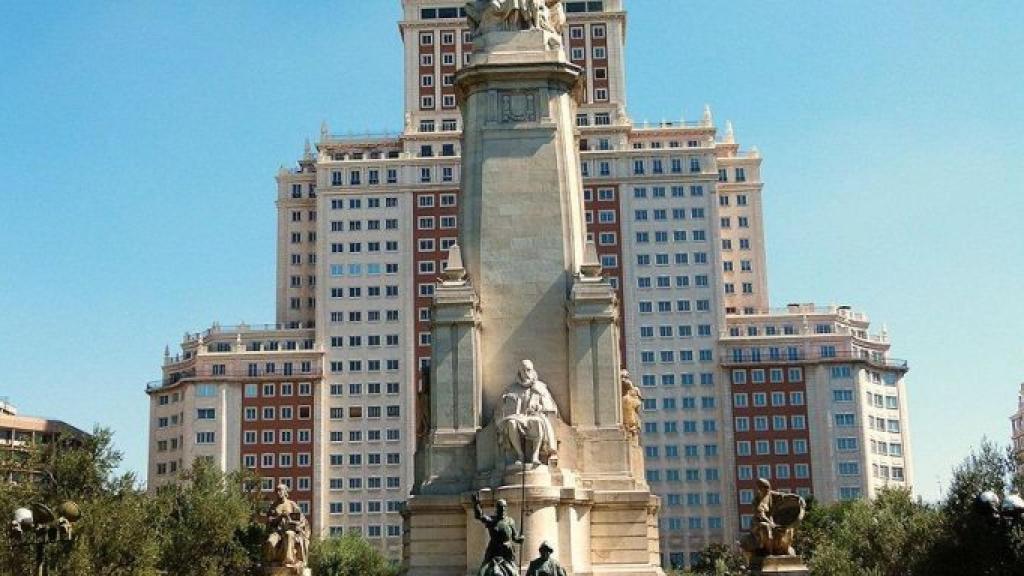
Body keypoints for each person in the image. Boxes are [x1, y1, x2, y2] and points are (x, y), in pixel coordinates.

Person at [497, 359, 559, 466]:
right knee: (511, 422)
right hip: (518, 417)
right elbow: (501, 409)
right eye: (523, 370)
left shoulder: (540, 387)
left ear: (533, 370)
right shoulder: (512, 389)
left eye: (528, 370)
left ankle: (535, 455)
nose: (526, 373)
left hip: (535, 415)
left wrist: (539, 407)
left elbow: (549, 407)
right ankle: (520, 455)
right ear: (519, 372)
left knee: (537, 422)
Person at [472, 494, 524, 576]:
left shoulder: (510, 521)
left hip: (507, 552)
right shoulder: (491, 520)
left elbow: (515, 537)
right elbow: (480, 516)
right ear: (497, 509)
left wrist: (520, 539)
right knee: (482, 573)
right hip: (493, 551)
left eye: (504, 507)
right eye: (500, 507)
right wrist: (476, 504)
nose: (502, 509)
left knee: (515, 574)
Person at [264, 484, 309, 568]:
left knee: (289, 534)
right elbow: (270, 521)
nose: (278, 492)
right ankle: (274, 561)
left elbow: (300, 519)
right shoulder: (273, 506)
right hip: (277, 532)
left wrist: (289, 518)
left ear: (285, 492)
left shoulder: (291, 504)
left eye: (280, 490)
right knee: (270, 541)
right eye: (277, 491)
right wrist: (280, 516)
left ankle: (289, 560)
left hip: (290, 530)